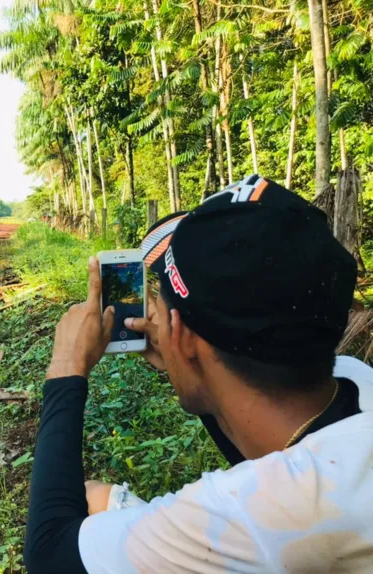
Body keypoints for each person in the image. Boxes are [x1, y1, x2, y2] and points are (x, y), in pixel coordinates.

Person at [24, 175, 373, 573]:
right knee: (95, 499)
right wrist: (190, 367)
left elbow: (49, 554)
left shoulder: (263, 514)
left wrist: (67, 369)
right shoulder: (354, 379)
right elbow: (274, 456)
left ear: (184, 337)